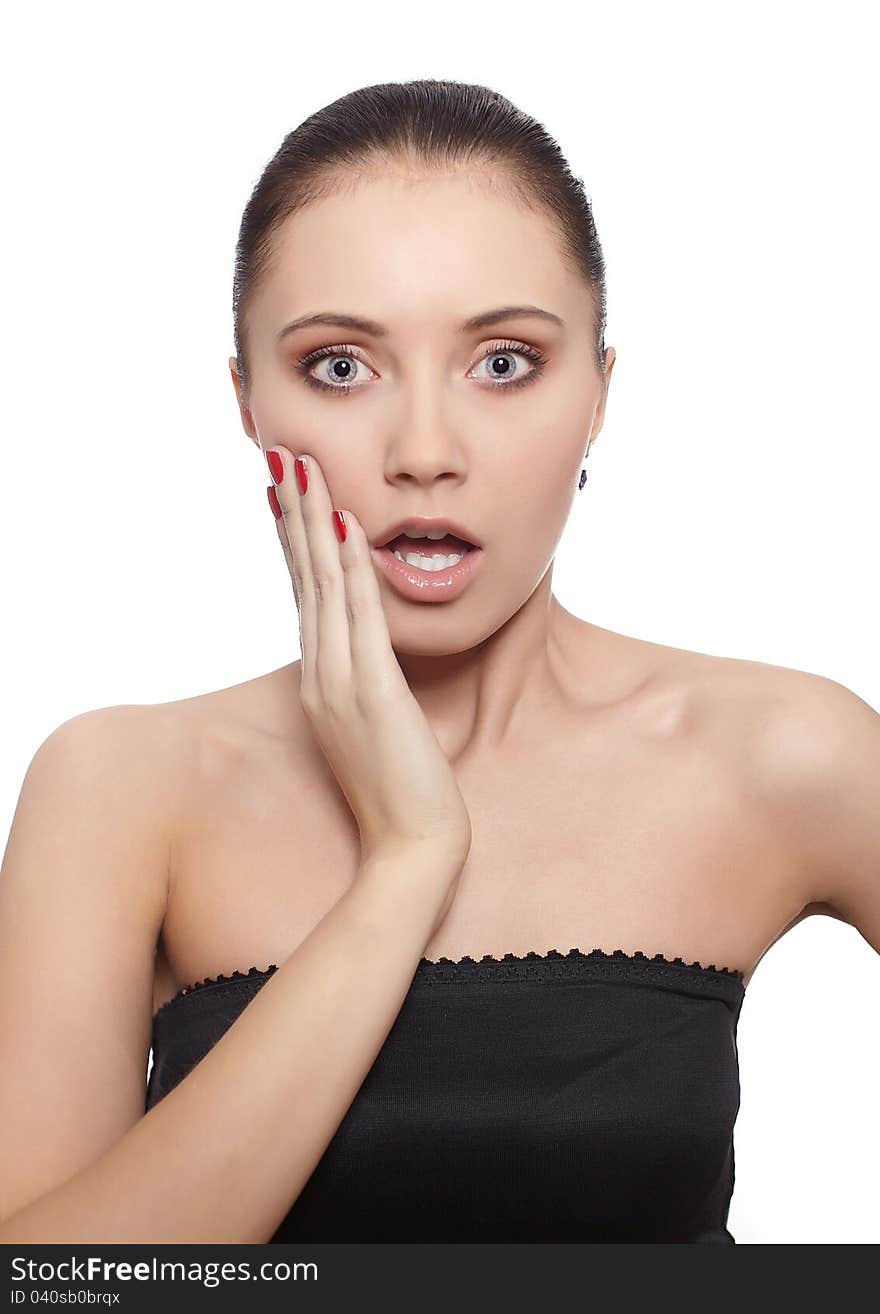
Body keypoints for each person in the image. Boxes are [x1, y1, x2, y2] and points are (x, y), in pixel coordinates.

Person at [0, 78, 877, 1246]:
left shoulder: (783, 752)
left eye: (504, 363)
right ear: (248, 401)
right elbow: (59, 1287)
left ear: (599, 397)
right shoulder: (120, 786)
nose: (424, 452)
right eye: (341, 368)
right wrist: (408, 859)